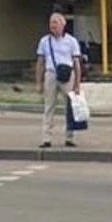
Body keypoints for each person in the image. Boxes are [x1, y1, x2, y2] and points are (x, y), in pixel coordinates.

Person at [36, 11, 83, 149]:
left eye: (55, 22)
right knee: (49, 106)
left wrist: (77, 84)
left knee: (70, 107)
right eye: (51, 23)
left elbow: (76, 64)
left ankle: (70, 137)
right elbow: (40, 62)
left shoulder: (71, 41)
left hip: (68, 76)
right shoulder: (44, 41)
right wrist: (39, 82)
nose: (53, 25)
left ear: (63, 24)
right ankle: (46, 138)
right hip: (50, 75)